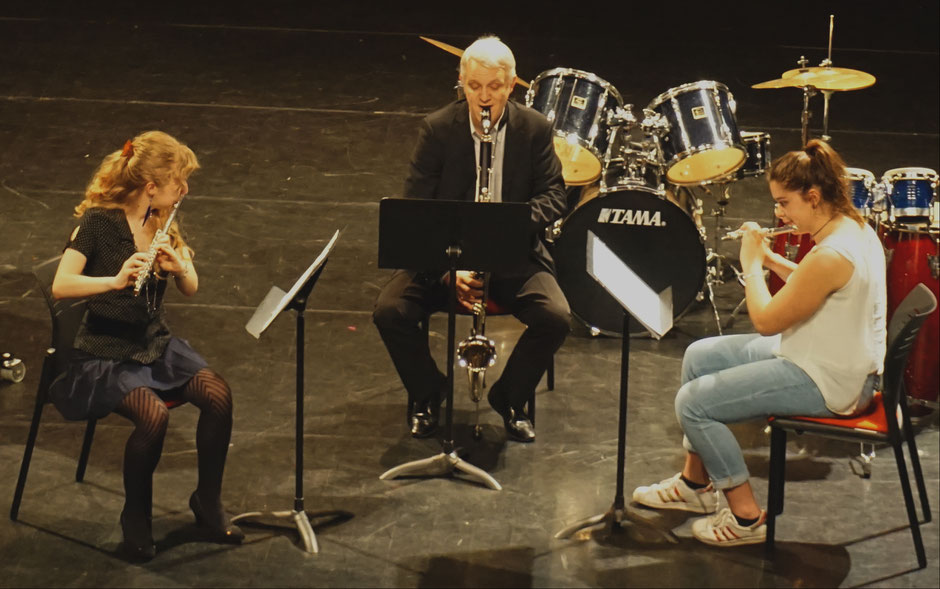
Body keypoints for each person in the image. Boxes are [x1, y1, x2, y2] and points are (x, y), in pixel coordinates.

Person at [631, 139, 886, 546]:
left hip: (832, 380)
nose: (778, 213)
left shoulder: (833, 253)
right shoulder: (854, 226)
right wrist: (770, 259)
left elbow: (767, 321)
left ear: (814, 197)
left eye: (784, 203)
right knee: (700, 357)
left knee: (692, 403)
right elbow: (812, 284)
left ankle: (746, 518)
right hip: (822, 353)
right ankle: (695, 486)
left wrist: (750, 266)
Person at [50, 131, 243, 560]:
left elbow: (191, 287)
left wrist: (180, 268)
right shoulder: (99, 223)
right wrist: (115, 280)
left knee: (217, 395)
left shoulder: (161, 220)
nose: (185, 191)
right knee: (153, 416)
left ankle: (206, 502)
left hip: (153, 345)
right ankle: (135, 516)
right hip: (103, 352)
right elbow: (61, 285)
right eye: (179, 182)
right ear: (152, 185)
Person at [373, 36, 570, 443]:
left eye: (494, 87)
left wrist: (506, 228)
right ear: (461, 83)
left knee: (555, 317)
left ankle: (511, 398)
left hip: (513, 255)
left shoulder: (534, 128)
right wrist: (448, 270)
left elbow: (554, 195)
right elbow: (417, 206)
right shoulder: (438, 129)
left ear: (511, 84)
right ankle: (428, 393)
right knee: (390, 311)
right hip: (445, 257)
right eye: (474, 86)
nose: (483, 97)